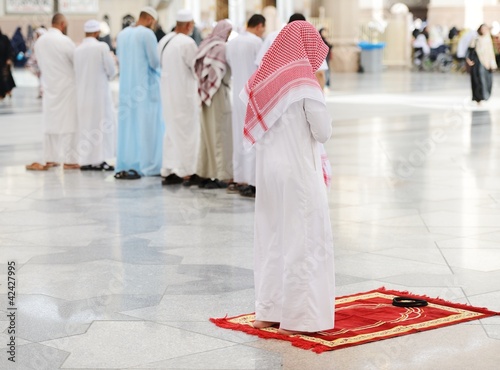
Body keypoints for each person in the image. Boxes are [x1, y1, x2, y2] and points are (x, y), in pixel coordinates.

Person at [243, 21, 334, 335]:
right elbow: (323, 132)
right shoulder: (305, 83)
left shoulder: (261, 79)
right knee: (304, 239)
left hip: (268, 171)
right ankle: (301, 318)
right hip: (298, 171)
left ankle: (267, 311)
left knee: (271, 236)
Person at [114, 7, 164, 179]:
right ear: (150, 19)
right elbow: (155, 62)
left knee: (129, 127)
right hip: (145, 90)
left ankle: (128, 162)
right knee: (147, 127)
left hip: (127, 89)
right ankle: (147, 164)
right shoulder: (147, 34)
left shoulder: (122, 35)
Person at [27, 13, 79, 171]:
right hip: (67, 88)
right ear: (63, 24)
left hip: (49, 86)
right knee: (70, 123)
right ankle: (70, 159)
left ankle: (50, 157)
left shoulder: (40, 41)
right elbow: (76, 62)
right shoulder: (65, 41)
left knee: (50, 123)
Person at [158, 9, 200, 186]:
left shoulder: (164, 40)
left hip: (168, 93)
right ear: (189, 25)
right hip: (184, 94)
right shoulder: (187, 42)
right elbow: (196, 68)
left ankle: (169, 168)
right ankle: (187, 170)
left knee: (171, 132)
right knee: (187, 132)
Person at [226, 14, 266, 198]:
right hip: (253, 95)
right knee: (253, 137)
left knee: (238, 135)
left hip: (236, 94)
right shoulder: (256, 42)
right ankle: (252, 180)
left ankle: (239, 177)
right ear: (259, 26)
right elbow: (261, 67)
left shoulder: (232, 42)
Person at [194, 20, 233, 188]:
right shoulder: (221, 48)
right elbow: (223, 74)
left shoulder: (206, 44)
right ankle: (221, 174)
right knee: (220, 133)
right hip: (217, 94)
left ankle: (205, 172)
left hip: (204, 95)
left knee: (206, 134)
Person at [74, 19, 117, 171]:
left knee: (86, 126)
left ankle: (86, 160)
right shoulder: (101, 47)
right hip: (99, 95)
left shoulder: (77, 49)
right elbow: (111, 71)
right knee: (101, 126)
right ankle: (100, 160)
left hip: (83, 95)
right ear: (97, 32)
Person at [466, 24, 498, 104]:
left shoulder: (488, 39)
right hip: (478, 62)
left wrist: (492, 64)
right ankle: (478, 98)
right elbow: (470, 50)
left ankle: (486, 96)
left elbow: (491, 53)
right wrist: (468, 59)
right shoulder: (475, 38)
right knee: (479, 81)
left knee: (487, 80)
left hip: (487, 63)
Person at [0, 28, 16, 100]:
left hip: (4, 61)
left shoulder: (4, 38)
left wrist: (9, 58)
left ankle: (8, 91)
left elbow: (9, 49)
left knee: (6, 77)